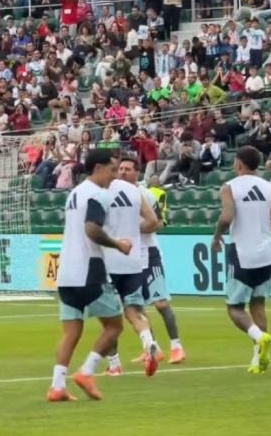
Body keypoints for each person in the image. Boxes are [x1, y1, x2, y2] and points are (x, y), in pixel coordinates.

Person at [48, 149, 132, 402]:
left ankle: (57, 386)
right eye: (112, 169)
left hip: (67, 274)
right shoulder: (99, 194)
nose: (114, 176)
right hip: (89, 269)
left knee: (71, 332)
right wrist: (118, 244)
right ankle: (86, 371)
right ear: (98, 168)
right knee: (115, 325)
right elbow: (92, 229)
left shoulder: (75, 193)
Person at [113, 161, 185, 371]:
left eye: (127, 169)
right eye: (121, 169)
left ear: (137, 173)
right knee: (136, 307)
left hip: (149, 252)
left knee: (161, 303)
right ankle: (152, 348)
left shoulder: (148, 194)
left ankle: (176, 346)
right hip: (128, 255)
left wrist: (133, 229)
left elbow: (160, 223)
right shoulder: (114, 194)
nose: (123, 173)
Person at [211, 146, 271, 375]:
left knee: (235, 308)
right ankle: (258, 360)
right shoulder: (269, 187)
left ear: (238, 164)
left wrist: (217, 236)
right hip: (267, 253)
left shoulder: (230, 187)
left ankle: (259, 337)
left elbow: (227, 216)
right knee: (258, 304)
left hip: (242, 253)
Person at [102, 158, 162, 377]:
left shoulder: (101, 191)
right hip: (133, 260)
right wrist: (134, 232)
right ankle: (148, 343)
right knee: (134, 312)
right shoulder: (134, 191)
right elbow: (153, 221)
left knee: (108, 315)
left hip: (109, 259)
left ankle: (114, 364)